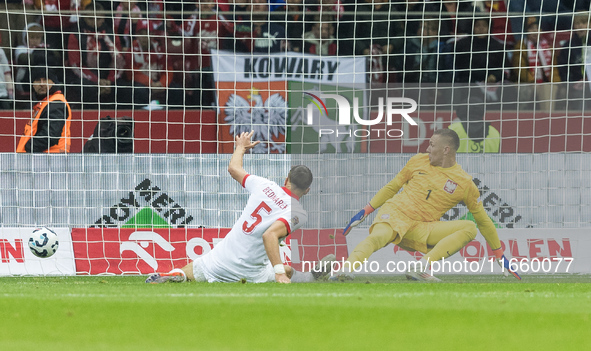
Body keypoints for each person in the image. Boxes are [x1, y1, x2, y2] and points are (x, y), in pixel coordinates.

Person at [146, 131, 333, 284]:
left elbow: (234, 169)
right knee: (286, 269)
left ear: (286, 180)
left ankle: (174, 274)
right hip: (249, 273)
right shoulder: (298, 213)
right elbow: (270, 235)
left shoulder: (264, 185)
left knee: (189, 271)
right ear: (307, 190)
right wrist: (279, 273)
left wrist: (240, 147)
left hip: (220, 260)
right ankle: (310, 277)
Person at [336, 129, 520, 282]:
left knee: (469, 227)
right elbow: (393, 187)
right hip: (396, 214)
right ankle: (345, 270)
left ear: (446, 150)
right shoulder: (418, 161)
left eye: (432, 145)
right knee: (378, 237)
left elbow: (484, 221)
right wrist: (366, 210)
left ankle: (420, 267)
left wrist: (499, 254)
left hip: (422, 228)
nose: (427, 148)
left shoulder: (464, 183)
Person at [16, 67, 72, 153]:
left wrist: (29, 148)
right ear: (33, 84)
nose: (42, 84)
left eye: (45, 80)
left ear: (53, 82)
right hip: (45, 158)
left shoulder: (56, 103)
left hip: (49, 159)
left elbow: (50, 135)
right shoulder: (45, 102)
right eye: (38, 80)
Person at [512, 17, 560, 111]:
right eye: (531, 28)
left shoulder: (548, 46)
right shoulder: (521, 45)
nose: (535, 31)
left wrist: (555, 82)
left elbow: (554, 68)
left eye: (537, 28)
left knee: (554, 88)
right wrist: (532, 81)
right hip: (528, 81)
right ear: (526, 31)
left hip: (546, 81)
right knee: (525, 89)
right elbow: (520, 68)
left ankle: (550, 116)